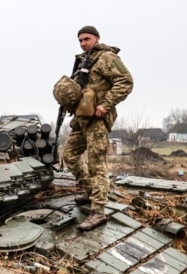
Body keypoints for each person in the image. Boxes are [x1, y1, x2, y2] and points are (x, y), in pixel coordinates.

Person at [61, 26, 134, 231]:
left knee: (96, 163)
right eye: (80, 40)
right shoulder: (83, 61)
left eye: (87, 39)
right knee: (69, 155)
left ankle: (98, 211)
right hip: (82, 119)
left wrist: (106, 104)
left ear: (97, 38)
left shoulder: (106, 57)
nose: (83, 43)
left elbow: (125, 82)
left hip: (98, 119)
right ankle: (90, 189)